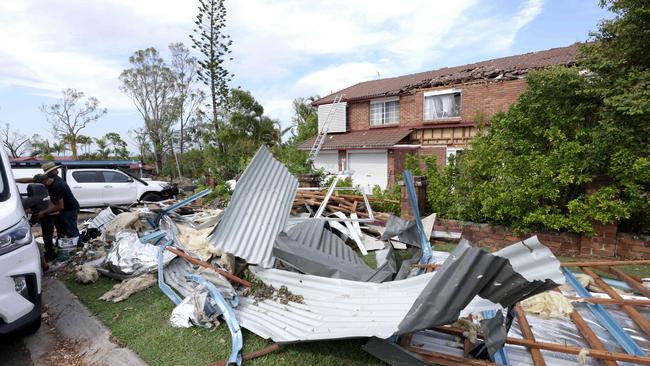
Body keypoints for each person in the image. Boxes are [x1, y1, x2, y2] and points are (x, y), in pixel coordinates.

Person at [33, 165, 81, 248]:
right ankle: (73, 246)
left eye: (42, 184)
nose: (43, 186)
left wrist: (44, 212)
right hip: (67, 208)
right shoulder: (53, 178)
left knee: (72, 230)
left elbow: (60, 206)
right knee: (67, 230)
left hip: (69, 209)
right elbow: (30, 179)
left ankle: (80, 247)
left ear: (44, 181)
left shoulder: (56, 187)